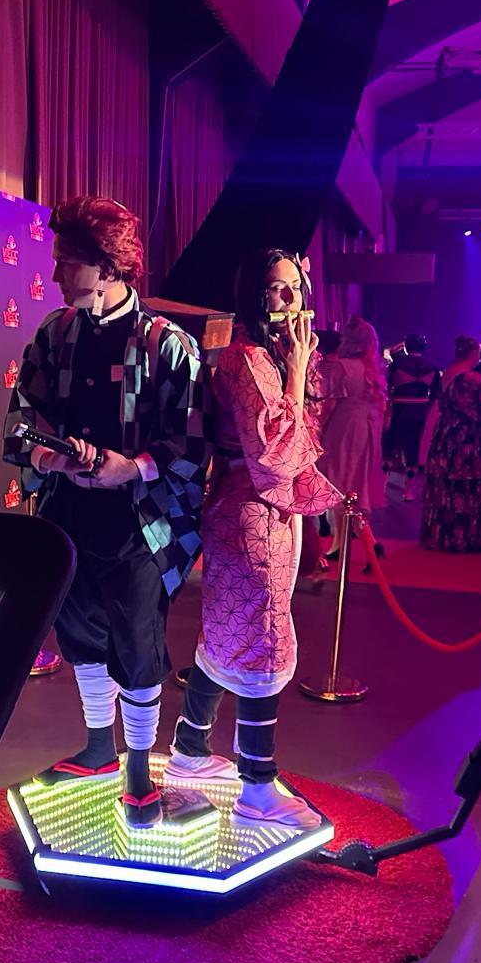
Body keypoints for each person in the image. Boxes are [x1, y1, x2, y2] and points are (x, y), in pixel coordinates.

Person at [2, 195, 208, 828]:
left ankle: (140, 769)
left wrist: (131, 466)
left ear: (109, 266)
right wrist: (47, 458)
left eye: (69, 262)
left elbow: (190, 443)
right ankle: (98, 747)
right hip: (68, 516)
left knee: (137, 642)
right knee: (80, 633)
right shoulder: (54, 333)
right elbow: (24, 412)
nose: (56, 274)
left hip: (139, 525)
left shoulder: (168, 344)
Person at [164, 250, 343, 829]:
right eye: (275, 288)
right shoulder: (247, 359)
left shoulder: (264, 354)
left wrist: (297, 367)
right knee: (261, 638)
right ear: (253, 295)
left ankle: (189, 750)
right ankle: (257, 787)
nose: (288, 300)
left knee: (227, 634)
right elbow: (273, 455)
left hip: (255, 510)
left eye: (295, 288)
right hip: (253, 514)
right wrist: (297, 370)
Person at [420, 362, 481, 552]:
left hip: (448, 455)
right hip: (475, 458)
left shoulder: (449, 411)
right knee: (471, 494)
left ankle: (442, 536)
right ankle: (472, 538)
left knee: (447, 494)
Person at [316, 317, 387, 517]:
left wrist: (319, 425)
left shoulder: (343, 366)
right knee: (359, 468)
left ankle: (337, 516)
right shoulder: (374, 368)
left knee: (339, 467)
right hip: (369, 425)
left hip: (345, 422)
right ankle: (355, 512)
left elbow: (331, 402)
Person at [384, 333, 440, 500]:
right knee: (413, 448)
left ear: (406, 346)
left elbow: (387, 386)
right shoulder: (432, 366)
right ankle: (408, 491)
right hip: (419, 412)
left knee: (390, 446)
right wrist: (427, 408)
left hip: (398, 410)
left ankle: (382, 486)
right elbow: (435, 393)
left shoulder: (397, 364)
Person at [417, 334, 481, 469]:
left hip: (444, 420)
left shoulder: (449, 371)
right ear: (474, 353)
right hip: (461, 426)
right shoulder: (470, 376)